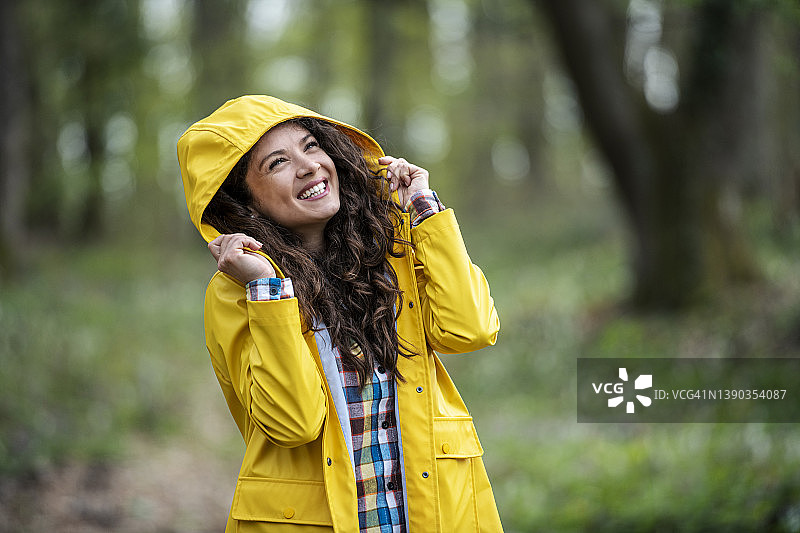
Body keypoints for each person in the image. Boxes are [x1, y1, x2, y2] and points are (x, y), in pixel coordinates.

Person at [178, 95, 503, 532]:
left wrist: (425, 208)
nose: (309, 165)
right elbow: (293, 423)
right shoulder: (238, 291)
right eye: (276, 163)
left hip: (433, 514)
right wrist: (267, 291)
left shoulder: (394, 247)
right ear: (244, 202)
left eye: (311, 146)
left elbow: (471, 330)